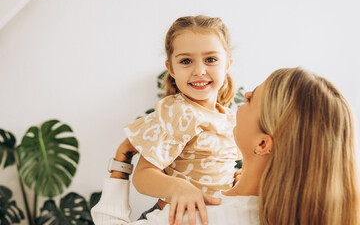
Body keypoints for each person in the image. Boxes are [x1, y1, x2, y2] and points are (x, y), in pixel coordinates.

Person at [92, 67, 360, 225]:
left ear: (263, 143)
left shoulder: (196, 216)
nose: (244, 95)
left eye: (252, 99)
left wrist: (122, 159)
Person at [104, 15, 241, 224]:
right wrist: (179, 187)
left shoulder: (230, 118)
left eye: (211, 59)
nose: (199, 71)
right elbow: (143, 176)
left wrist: (238, 178)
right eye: (186, 61)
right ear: (171, 69)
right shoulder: (179, 113)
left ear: (227, 64)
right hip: (168, 218)